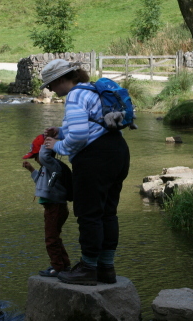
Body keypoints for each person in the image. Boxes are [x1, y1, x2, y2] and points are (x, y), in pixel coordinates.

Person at [41, 59, 130, 286]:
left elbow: (80, 137)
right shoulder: (91, 91)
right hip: (118, 151)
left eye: (50, 84)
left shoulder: (74, 96)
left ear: (62, 79)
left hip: (95, 158)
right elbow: (92, 125)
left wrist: (57, 145)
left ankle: (88, 268)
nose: (50, 89)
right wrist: (61, 131)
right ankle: (106, 268)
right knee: (108, 212)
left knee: (89, 214)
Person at [22, 133, 72, 277]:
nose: (35, 159)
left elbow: (44, 156)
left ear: (45, 153)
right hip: (52, 207)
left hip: (55, 207)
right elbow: (42, 183)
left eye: (35, 156)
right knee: (55, 237)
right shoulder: (46, 169)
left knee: (50, 239)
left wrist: (46, 143)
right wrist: (31, 170)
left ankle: (57, 267)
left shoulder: (53, 166)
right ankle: (64, 264)